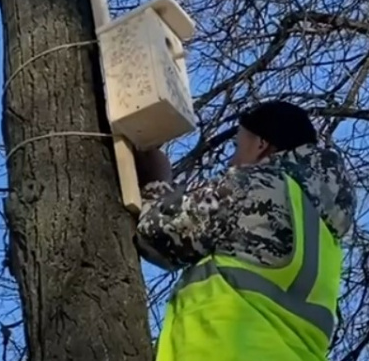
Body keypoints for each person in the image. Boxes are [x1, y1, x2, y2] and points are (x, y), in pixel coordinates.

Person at [133, 100, 356, 361]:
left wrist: (156, 181)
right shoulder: (325, 239)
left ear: (260, 144)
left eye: (238, 145)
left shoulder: (250, 186)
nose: (232, 159)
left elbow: (158, 233)